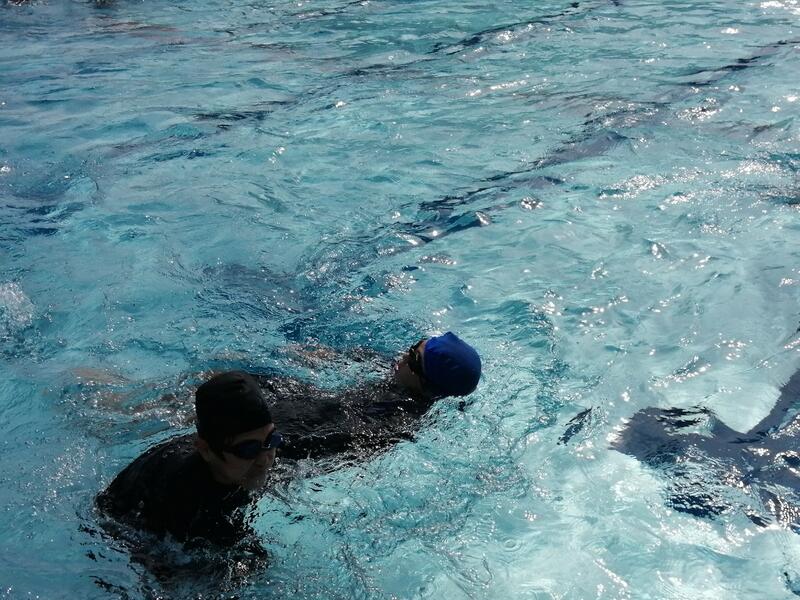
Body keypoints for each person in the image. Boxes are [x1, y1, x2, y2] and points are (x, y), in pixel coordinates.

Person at [96, 332, 481, 548]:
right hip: (301, 409)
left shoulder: (395, 421)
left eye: (411, 356)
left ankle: (113, 398)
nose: (400, 355)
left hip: (301, 425)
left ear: (422, 378)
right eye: (414, 345)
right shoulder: (184, 484)